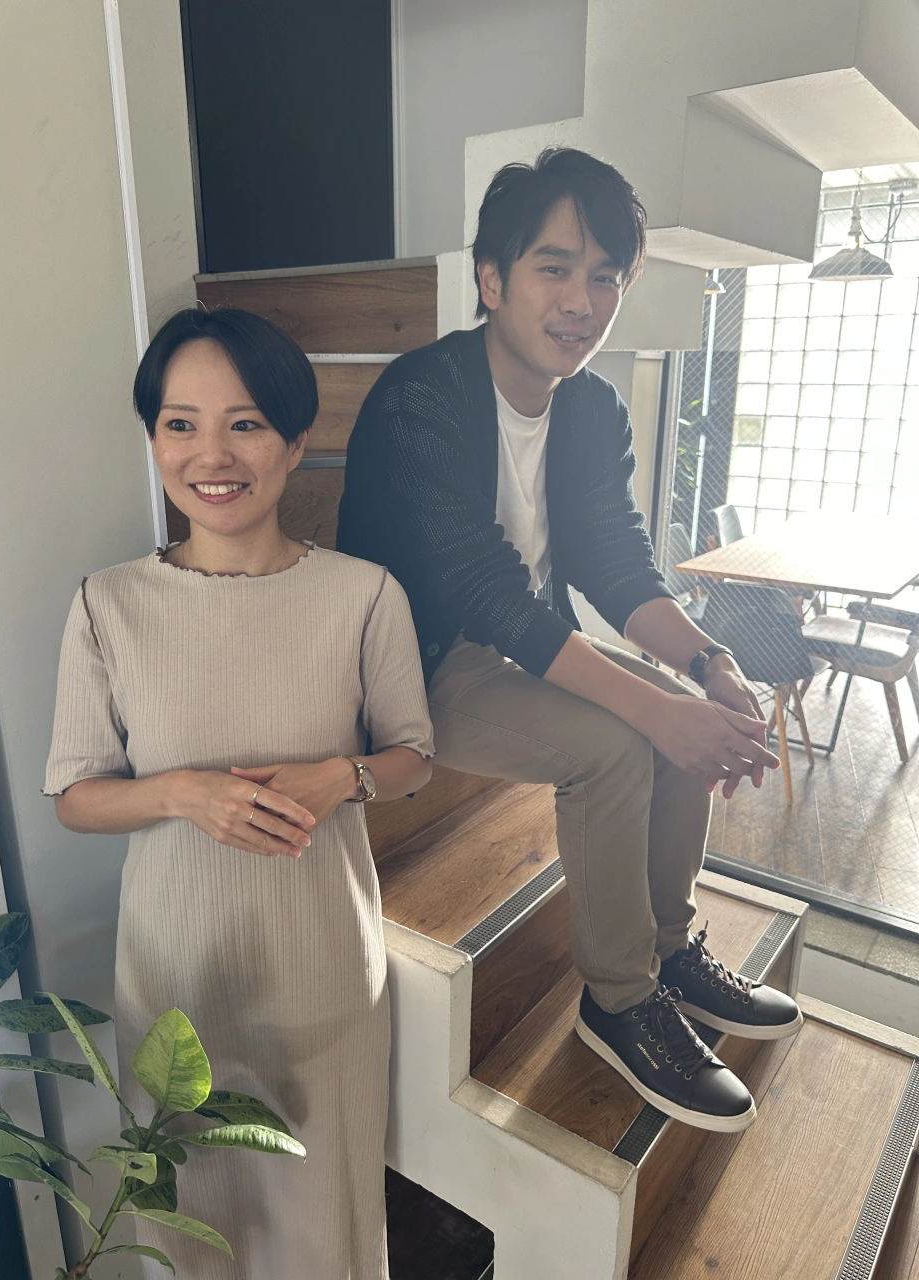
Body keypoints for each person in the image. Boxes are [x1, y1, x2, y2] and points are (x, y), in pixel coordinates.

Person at [337, 147, 802, 1134]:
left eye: (605, 276)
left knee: (676, 711)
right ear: (492, 279)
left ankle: (668, 949)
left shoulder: (589, 407)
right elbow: (485, 594)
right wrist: (658, 711)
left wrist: (710, 666)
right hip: (413, 663)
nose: (582, 302)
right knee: (616, 741)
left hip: (517, 644)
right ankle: (619, 1000)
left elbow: (614, 561)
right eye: (554, 267)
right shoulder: (423, 397)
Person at [45, 307, 434, 1279]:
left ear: (295, 442)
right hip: (174, 987)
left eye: (246, 423)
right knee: (191, 1235)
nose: (211, 455)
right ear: (153, 439)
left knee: (323, 1231)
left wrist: (343, 775)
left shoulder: (365, 595)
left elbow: (414, 757)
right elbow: (76, 797)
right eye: (181, 423)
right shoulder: (107, 604)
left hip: (323, 975)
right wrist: (181, 794)